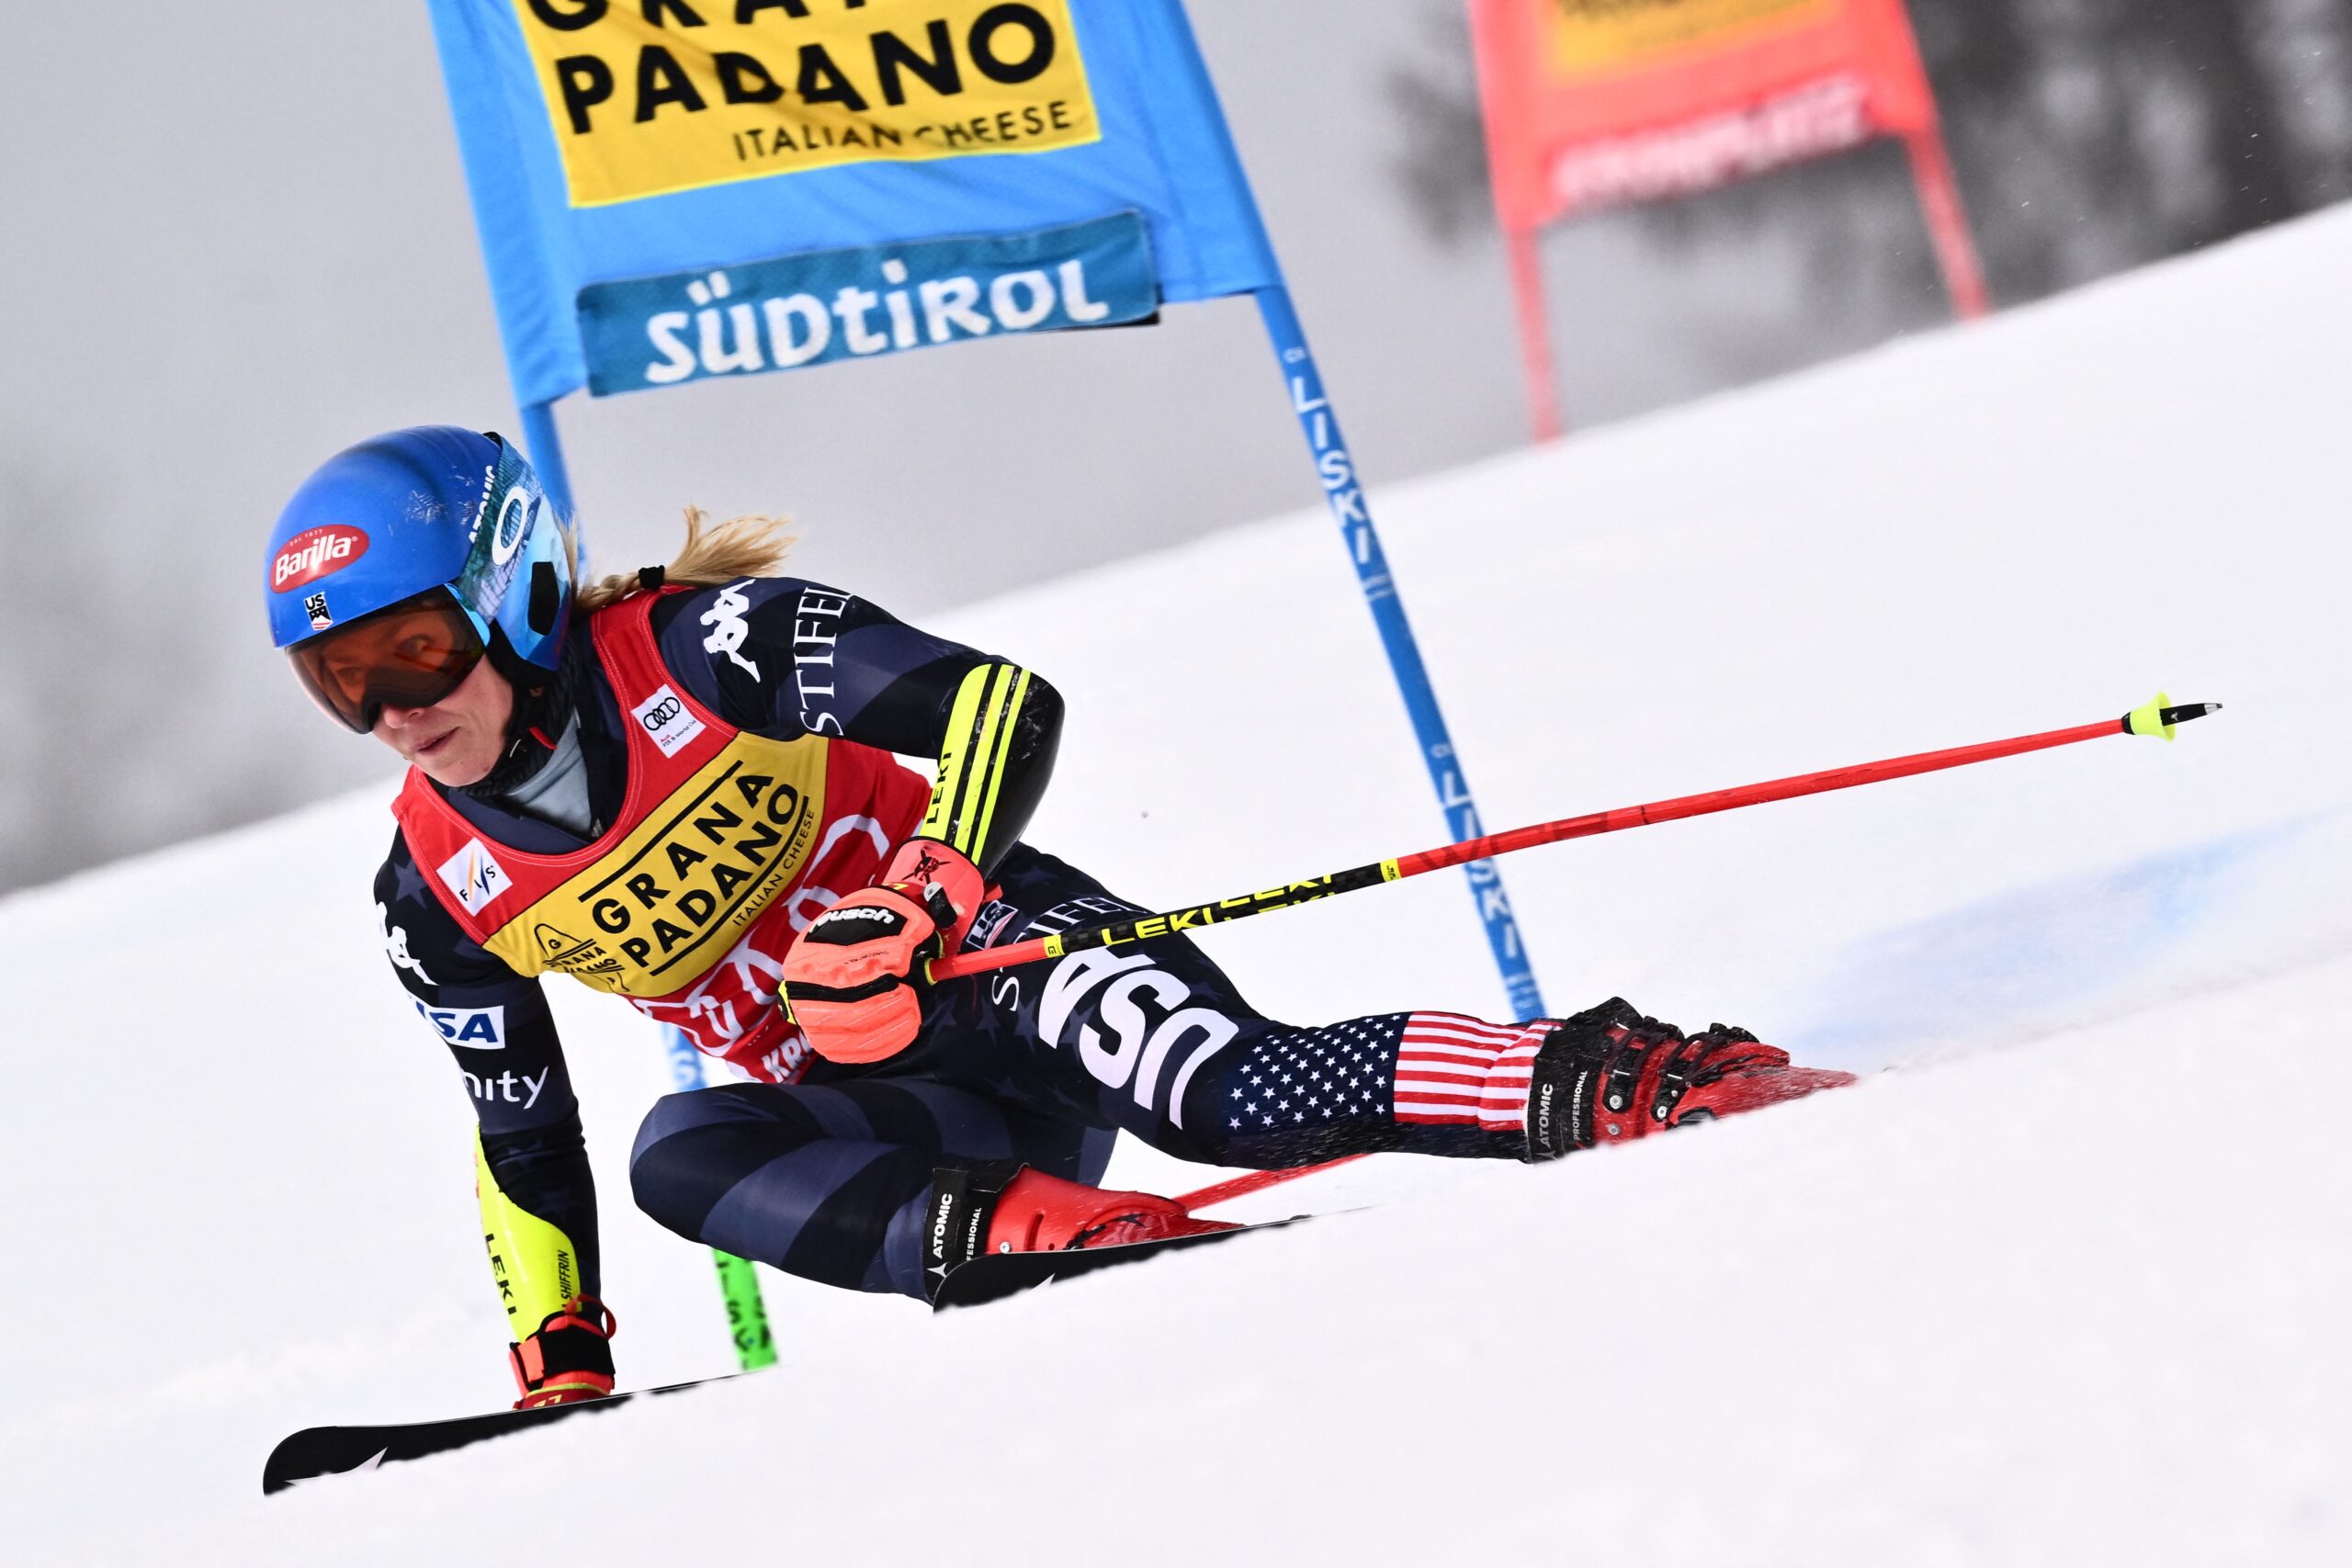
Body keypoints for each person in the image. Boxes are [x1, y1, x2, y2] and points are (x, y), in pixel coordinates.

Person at [266, 427, 1854, 1409]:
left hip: (1002, 961)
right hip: (910, 1111)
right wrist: (565, 1356)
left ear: (512, 592)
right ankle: (1058, 1245)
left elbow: (995, 705)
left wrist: (919, 897)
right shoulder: (434, 891)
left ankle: (1606, 1072)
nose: (392, 711)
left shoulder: (712, 642)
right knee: (678, 1155)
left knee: (1228, 1098)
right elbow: (518, 1127)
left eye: (410, 648)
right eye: (341, 682)